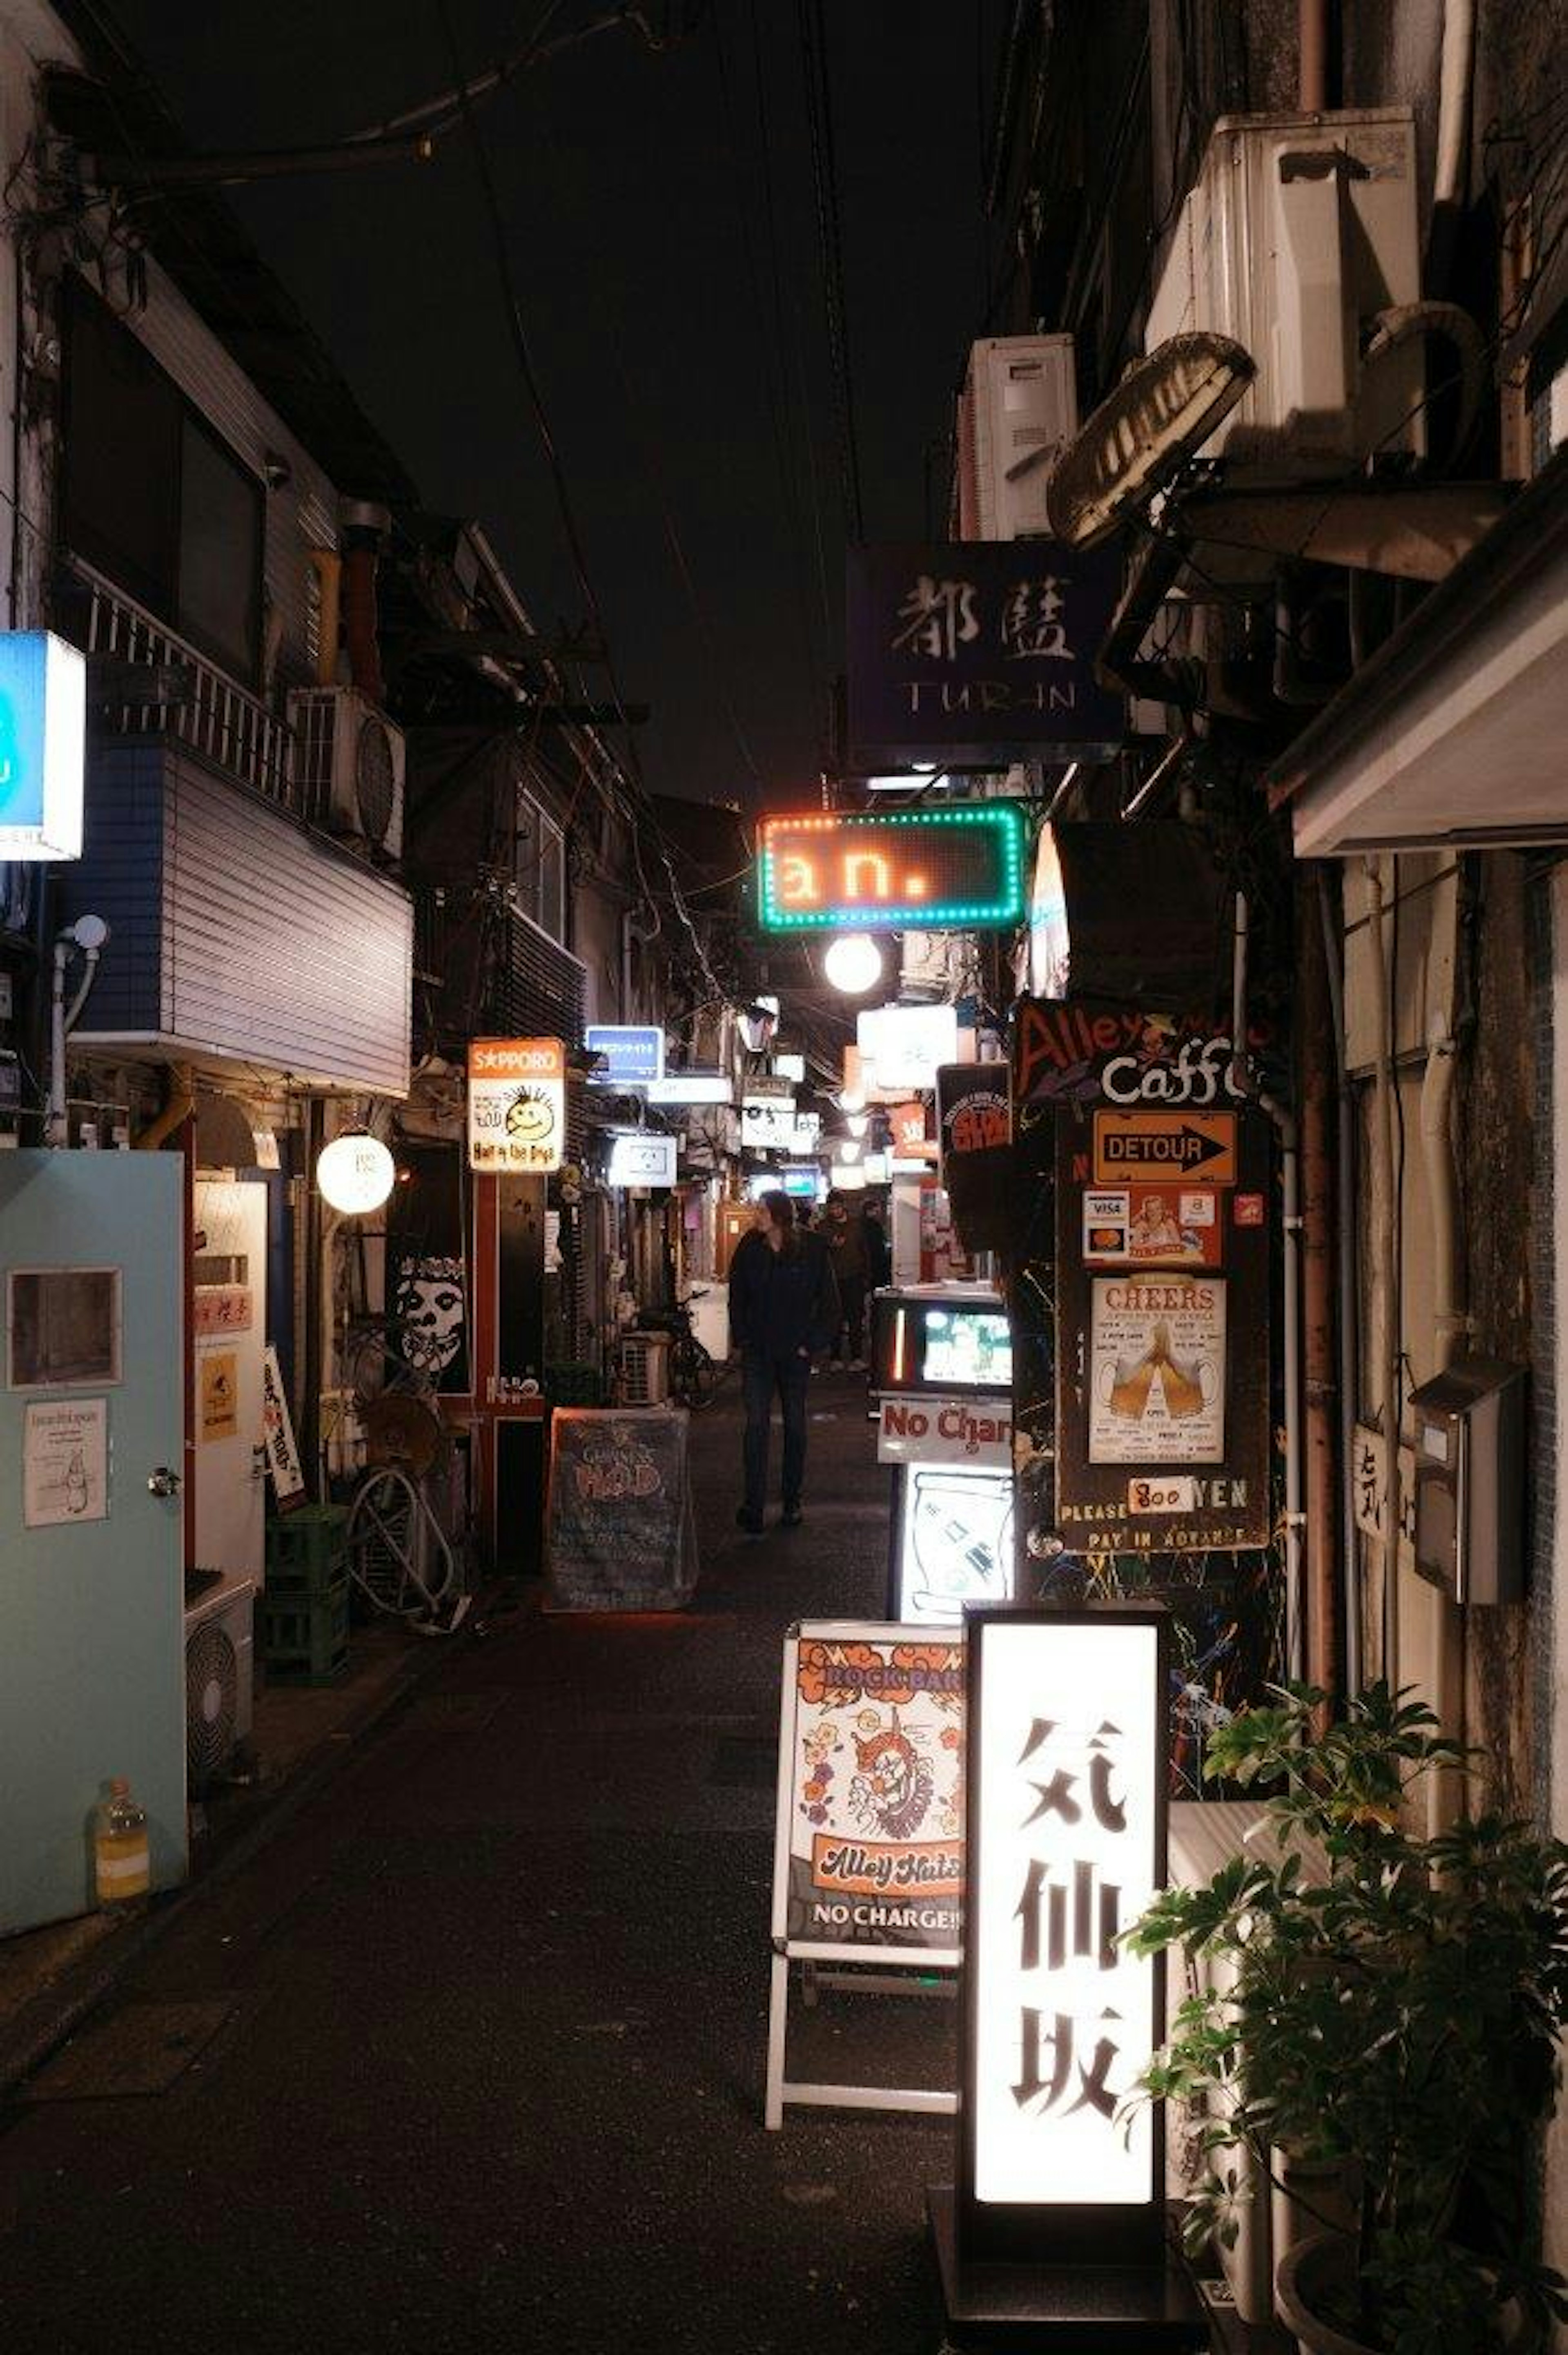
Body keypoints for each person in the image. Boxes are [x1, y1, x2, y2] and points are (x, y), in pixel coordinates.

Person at [728, 1190, 840, 1533]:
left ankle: (792, 1502)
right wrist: (744, 1338)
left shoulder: (813, 1248)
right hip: (759, 1353)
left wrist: (812, 1343)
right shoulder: (750, 1247)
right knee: (756, 1426)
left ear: (778, 1215)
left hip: (795, 1353)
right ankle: (754, 1507)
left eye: (761, 1211)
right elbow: (738, 1296)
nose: (755, 1216)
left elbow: (830, 1303)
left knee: (795, 1426)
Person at [823, 1191, 869, 1369]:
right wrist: (831, 1244)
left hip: (854, 1278)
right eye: (832, 1208)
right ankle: (836, 1358)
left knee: (855, 1319)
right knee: (835, 1319)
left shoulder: (856, 1226)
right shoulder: (824, 1227)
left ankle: (857, 1357)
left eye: (837, 1207)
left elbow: (865, 1252)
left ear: (843, 1207)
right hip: (833, 1279)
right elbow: (820, 1250)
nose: (835, 1211)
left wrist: (867, 1277)